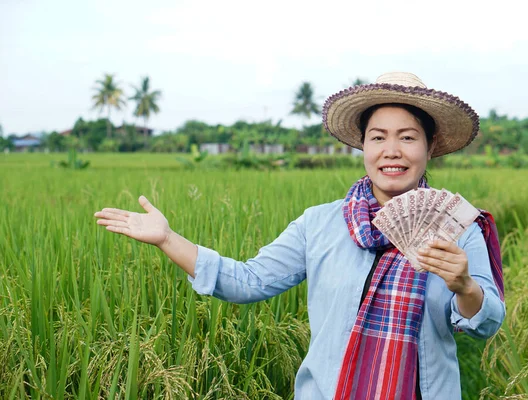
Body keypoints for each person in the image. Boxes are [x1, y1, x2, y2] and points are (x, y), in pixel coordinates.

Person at [94, 71, 506, 400]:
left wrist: (464, 286)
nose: (392, 150)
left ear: (430, 147)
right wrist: (168, 239)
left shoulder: (458, 229)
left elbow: (486, 323)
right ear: (362, 145)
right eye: (378, 137)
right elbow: (248, 281)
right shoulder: (320, 224)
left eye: (408, 137)